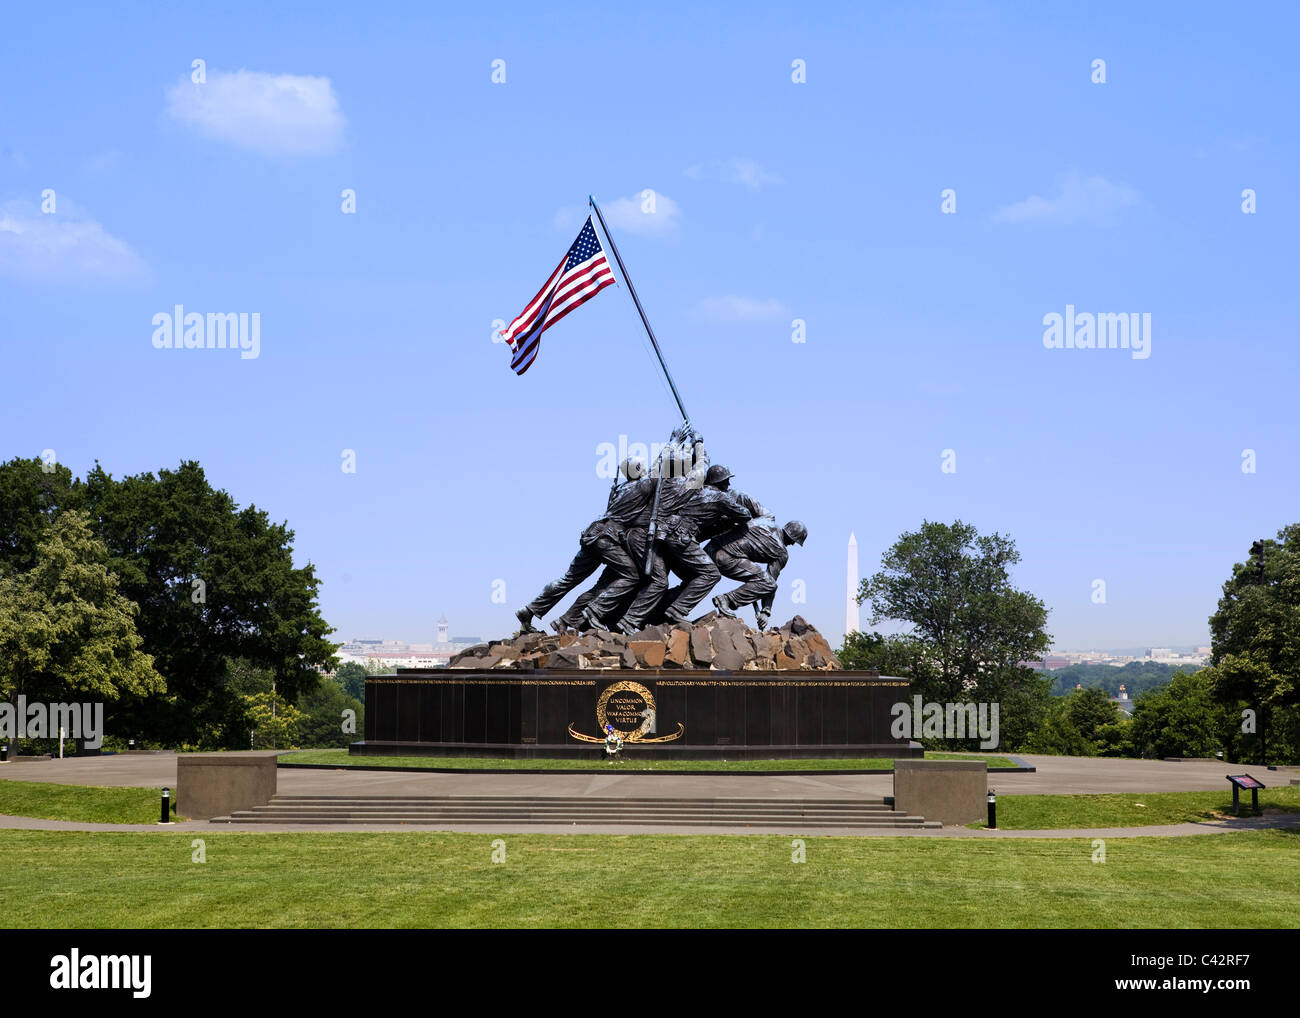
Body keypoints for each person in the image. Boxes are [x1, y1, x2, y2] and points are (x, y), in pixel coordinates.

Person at [514, 456, 652, 634]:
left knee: (569, 579)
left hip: (592, 534)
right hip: (607, 538)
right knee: (631, 576)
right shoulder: (643, 485)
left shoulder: (620, 489)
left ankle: (529, 610)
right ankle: (594, 611)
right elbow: (663, 471)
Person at [707, 520, 807, 630]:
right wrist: (766, 611)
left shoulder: (766, 521)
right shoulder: (781, 552)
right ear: (791, 537)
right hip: (725, 557)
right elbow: (769, 583)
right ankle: (726, 599)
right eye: (794, 541)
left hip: (710, 548)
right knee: (769, 583)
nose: (792, 544)